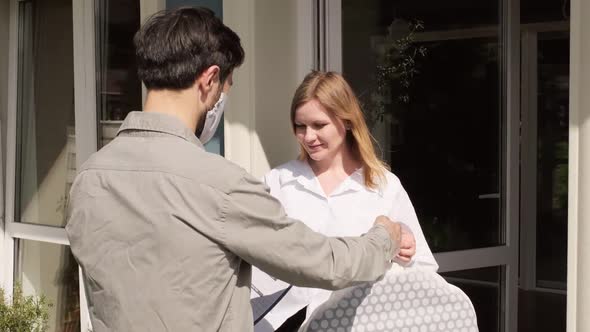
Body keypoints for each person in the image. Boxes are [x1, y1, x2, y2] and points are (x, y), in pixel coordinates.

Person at [65, 7, 405, 332]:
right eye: (227, 89)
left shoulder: (88, 179)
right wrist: (384, 237)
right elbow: (329, 264)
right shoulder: (221, 186)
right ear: (210, 79)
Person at [252, 71, 438, 331]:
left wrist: (401, 253)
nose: (308, 137)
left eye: (319, 125)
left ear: (347, 121)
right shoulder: (278, 182)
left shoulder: (384, 187)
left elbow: (424, 271)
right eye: (300, 126)